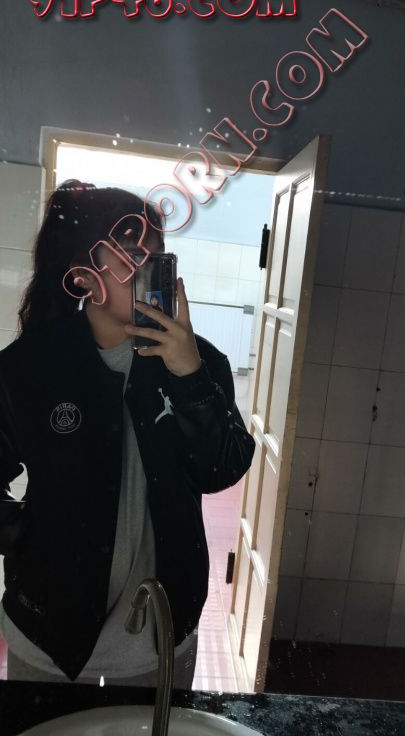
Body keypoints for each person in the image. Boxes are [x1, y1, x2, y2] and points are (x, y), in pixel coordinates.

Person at [0, 180, 256, 687]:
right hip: (48, 632)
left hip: (162, 632)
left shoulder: (201, 362)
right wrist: (30, 537)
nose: (147, 270)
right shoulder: (29, 368)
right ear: (82, 275)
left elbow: (222, 469)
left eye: (155, 256)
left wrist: (189, 378)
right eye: (129, 256)